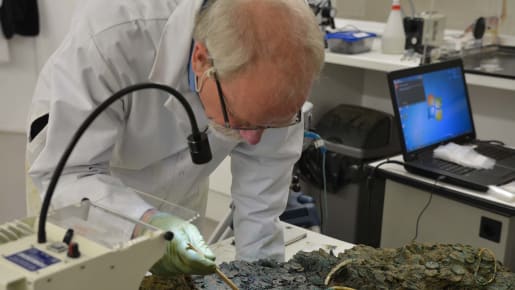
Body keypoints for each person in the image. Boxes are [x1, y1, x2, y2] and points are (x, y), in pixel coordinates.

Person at [26, 0, 324, 277]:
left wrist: (259, 277)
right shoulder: (114, 32)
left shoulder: (283, 56)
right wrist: (143, 226)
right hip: (79, 177)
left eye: (271, 124)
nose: (253, 139)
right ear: (201, 60)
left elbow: (261, 204)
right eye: (241, 119)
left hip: (184, 181)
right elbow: (68, 174)